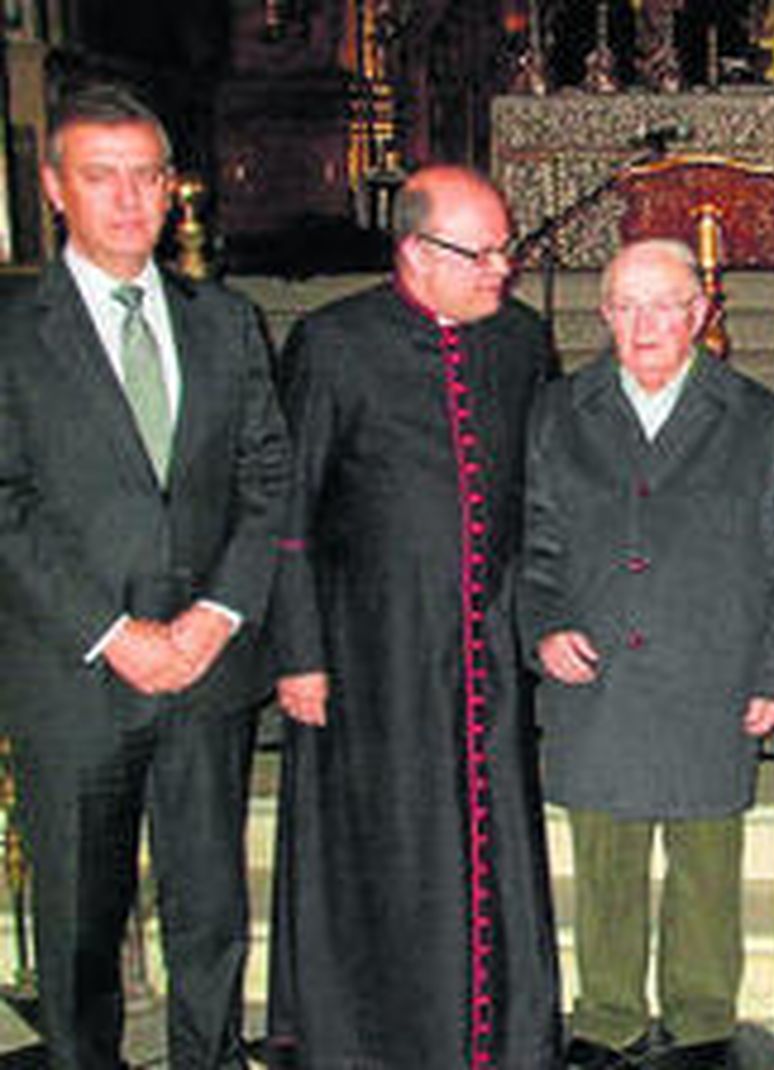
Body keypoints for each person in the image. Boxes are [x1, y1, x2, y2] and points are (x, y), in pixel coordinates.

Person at [0, 83, 290, 1068]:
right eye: (101, 177)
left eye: (144, 176)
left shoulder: (227, 321)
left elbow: (267, 478)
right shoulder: (10, 332)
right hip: (75, 671)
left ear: (172, 188)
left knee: (211, 911)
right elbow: (5, 504)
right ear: (55, 188)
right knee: (81, 922)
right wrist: (114, 631)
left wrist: (216, 614)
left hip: (206, 668)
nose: (127, 199)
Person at [266, 164, 561, 1067]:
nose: (502, 269)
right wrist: (299, 653)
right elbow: (288, 513)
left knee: (490, 843)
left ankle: (499, 1034)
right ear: (415, 253)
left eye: (506, 249)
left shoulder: (520, 339)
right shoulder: (334, 344)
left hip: (486, 646)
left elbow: (544, 495)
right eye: (481, 253)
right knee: (388, 844)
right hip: (372, 653)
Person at [520, 239, 774, 1070]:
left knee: (705, 870)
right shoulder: (557, 413)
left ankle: (702, 1022)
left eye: (664, 306)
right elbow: (531, 546)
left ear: (700, 313)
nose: (644, 324)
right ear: (603, 313)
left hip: (711, 677)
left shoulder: (759, 418)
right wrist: (543, 628)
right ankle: (607, 1018)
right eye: (625, 306)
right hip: (597, 679)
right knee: (605, 863)